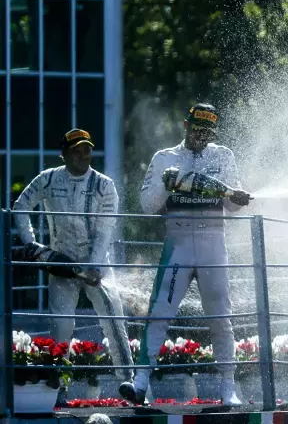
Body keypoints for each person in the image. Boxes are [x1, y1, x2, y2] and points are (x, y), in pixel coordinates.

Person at [118, 104, 251, 406]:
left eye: (207, 130)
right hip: (177, 243)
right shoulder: (164, 157)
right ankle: (139, 383)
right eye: (196, 127)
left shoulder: (223, 155)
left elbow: (233, 203)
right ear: (186, 125)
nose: (201, 134)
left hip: (213, 244)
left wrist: (239, 198)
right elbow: (146, 205)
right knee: (159, 313)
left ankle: (227, 388)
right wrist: (167, 187)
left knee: (221, 317)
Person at [12, 128, 135, 397]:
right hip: (60, 262)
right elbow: (20, 205)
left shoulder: (105, 185)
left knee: (113, 319)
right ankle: (59, 389)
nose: (83, 155)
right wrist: (31, 244)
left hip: (98, 264)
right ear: (64, 154)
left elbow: (105, 229)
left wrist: (92, 266)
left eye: (87, 150)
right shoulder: (48, 178)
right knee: (62, 325)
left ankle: (131, 384)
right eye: (76, 150)